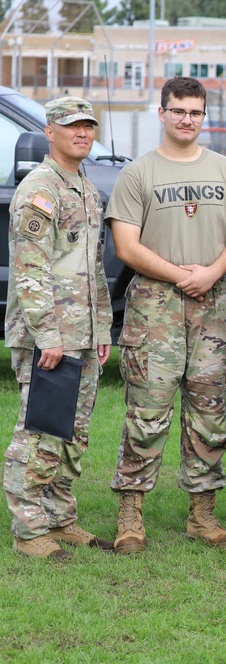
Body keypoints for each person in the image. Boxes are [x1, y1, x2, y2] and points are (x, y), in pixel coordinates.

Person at [108, 76, 226, 554]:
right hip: (156, 305)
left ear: (204, 116)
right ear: (162, 112)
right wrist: (179, 275)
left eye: (195, 112)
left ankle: (202, 515)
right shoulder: (138, 173)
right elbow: (126, 245)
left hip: (214, 305)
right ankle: (131, 514)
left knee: (209, 413)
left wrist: (211, 273)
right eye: (178, 111)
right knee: (147, 413)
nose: (186, 120)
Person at [4, 97, 113, 560]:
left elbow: (92, 268)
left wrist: (103, 326)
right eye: (72, 126)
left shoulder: (84, 188)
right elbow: (30, 269)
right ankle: (29, 529)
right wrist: (48, 334)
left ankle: (60, 518)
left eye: (88, 125)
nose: (82, 133)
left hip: (83, 333)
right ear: (50, 131)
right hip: (50, 338)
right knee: (42, 430)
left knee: (73, 432)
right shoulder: (41, 190)